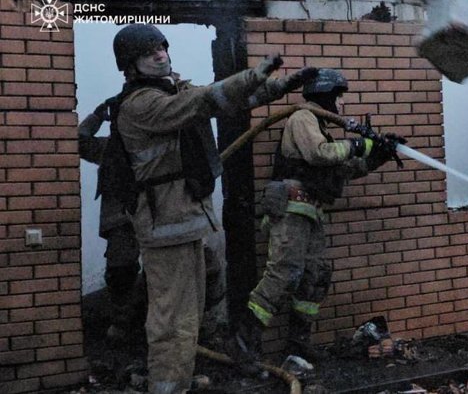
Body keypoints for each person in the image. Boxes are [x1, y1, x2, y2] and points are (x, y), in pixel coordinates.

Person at [110, 23, 317, 394]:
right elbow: (205, 101)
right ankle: (167, 387)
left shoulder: (174, 91)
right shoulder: (141, 104)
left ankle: (179, 377)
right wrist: (254, 74)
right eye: (148, 53)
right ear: (130, 65)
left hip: (185, 219)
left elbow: (228, 102)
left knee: (190, 310)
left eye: (161, 47)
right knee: (172, 317)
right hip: (164, 224)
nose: (159, 54)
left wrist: (280, 86)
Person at [246, 68, 403, 362]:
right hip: (292, 209)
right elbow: (319, 154)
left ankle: (298, 342)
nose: (342, 103)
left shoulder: (320, 127)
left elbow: (342, 170)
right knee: (284, 273)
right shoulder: (303, 117)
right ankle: (245, 343)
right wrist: (358, 144)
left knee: (315, 275)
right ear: (325, 94)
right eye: (339, 96)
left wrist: (377, 156)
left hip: (312, 212)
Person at [78, 104, 145, 343]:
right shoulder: (110, 148)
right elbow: (79, 142)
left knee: (162, 271)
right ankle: (123, 325)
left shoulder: (152, 143)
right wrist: (96, 116)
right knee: (120, 273)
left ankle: (147, 323)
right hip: (121, 221)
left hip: (153, 218)